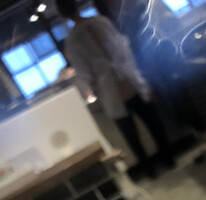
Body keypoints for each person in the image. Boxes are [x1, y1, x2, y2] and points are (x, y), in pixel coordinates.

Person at [55, 0, 175, 177]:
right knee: (151, 126)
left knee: (136, 135)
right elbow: (122, 49)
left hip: (116, 88)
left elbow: (84, 71)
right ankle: (166, 160)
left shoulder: (77, 37)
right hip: (124, 84)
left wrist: (89, 88)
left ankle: (152, 169)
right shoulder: (97, 24)